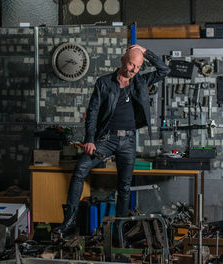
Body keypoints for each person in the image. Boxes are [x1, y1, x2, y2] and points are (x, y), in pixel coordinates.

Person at [54, 44, 170, 235]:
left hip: (129, 141)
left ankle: (119, 230)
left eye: (138, 67)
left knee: (124, 187)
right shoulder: (104, 83)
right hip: (106, 139)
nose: (133, 70)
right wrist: (89, 140)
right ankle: (69, 221)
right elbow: (92, 113)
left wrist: (145, 51)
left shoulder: (141, 81)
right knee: (80, 169)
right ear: (123, 60)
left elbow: (164, 70)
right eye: (132, 65)